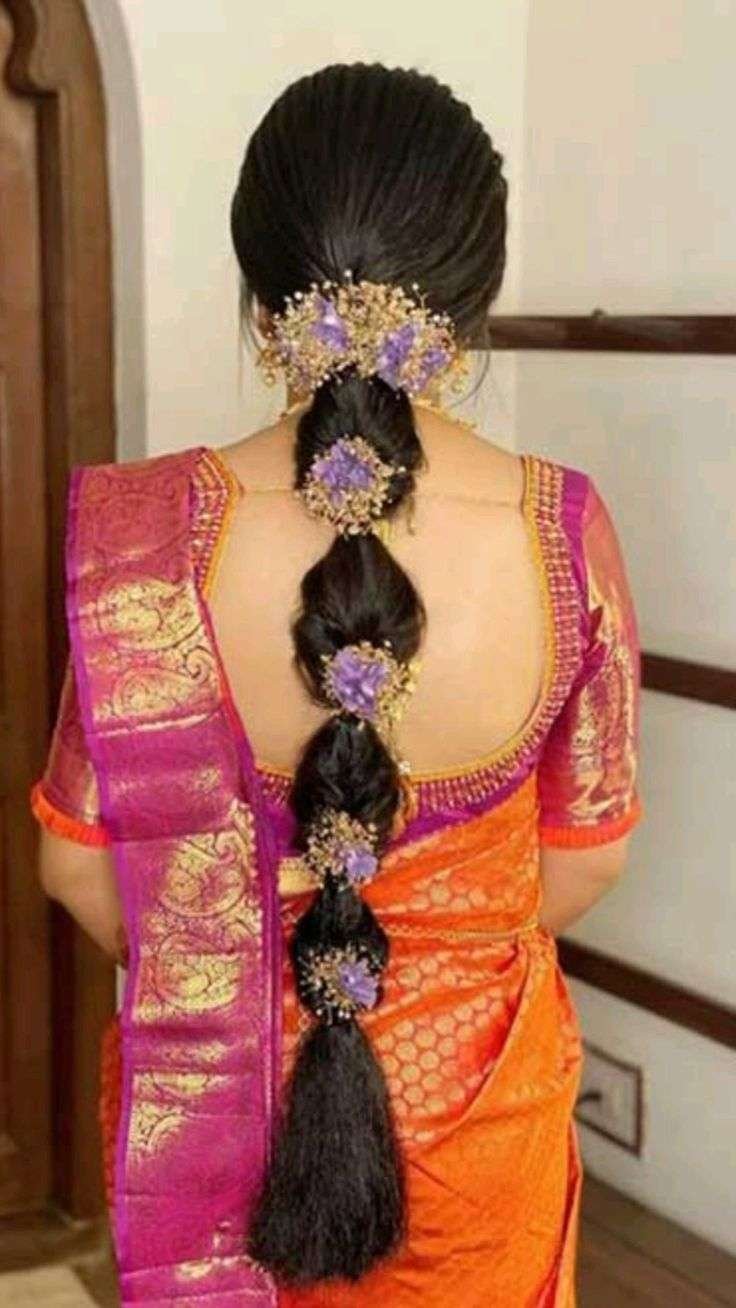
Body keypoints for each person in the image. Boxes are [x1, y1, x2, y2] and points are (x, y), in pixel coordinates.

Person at [30, 62, 643, 1307]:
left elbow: (76, 866)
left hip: (216, 1113)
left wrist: (247, 959)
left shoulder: (146, 538)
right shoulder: (557, 532)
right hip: (475, 1126)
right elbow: (582, 861)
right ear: (474, 291)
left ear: (258, 286)